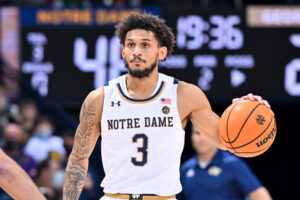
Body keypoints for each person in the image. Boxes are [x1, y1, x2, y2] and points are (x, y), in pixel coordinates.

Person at [63, 13, 273, 200]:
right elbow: (79, 158)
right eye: (130, 45)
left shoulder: (184, 95)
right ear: (123, 51)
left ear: (161, 52)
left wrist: (249, 113)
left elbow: (226, 141)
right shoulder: (99, 99)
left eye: (145, 45)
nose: (136, 51)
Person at [177, 126, 272, 200]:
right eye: (197, 133)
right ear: (190, 136)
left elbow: (261, 196)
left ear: (216, 136)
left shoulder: (232, 164)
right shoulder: (185, 168)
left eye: (206, 133)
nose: (202, 138)